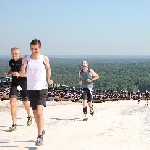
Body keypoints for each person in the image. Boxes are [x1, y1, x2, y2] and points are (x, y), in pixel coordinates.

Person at [22, 39, 53, 146]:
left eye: (36, 49)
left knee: (39, 112)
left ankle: (39, 136)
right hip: (31, 88)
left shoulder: (44, 58)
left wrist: (49, 79)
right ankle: (41, 129)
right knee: (35, 113)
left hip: (42, 88)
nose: (34, 51)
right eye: (32, 48)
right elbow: (22, 74)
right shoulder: (26, 58)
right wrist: (23, 68)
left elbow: (48, 69)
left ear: (40, 48)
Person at [4, 47, 32, 131]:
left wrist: (19, 74)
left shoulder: (23, 62)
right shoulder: (11, 62)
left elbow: (26, 73)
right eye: (12, 53)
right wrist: (8, 73)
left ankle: (29, 116)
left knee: (25, 101)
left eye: (15, 53)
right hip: (14, 83)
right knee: (12, 103)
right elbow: (12, 69)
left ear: (19, 54)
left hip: (23, 83)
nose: (14, 55)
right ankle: (14, 124)